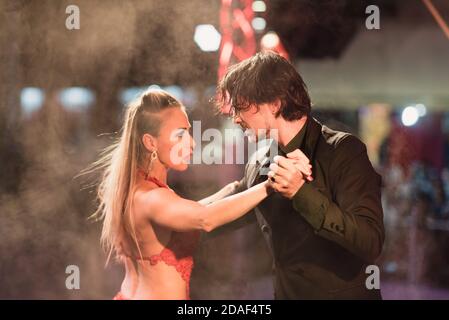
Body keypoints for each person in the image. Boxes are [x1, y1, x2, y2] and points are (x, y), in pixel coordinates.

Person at [215, 51, 385, 299]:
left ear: (275, 103)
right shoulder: (259, 161)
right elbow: (220, 211)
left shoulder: (342, 151)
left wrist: (301, 193)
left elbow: (371, 242)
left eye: (242, 103)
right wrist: (161, 209)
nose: (235, 116)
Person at [86, 89, 272, 299]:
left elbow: (196, 209)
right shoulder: (152, 198)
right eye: (180, 134)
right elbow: (205, 218)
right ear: (151, 143)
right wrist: (271, 185)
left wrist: (236, 188)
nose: (191, 143)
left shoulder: (140, 189)